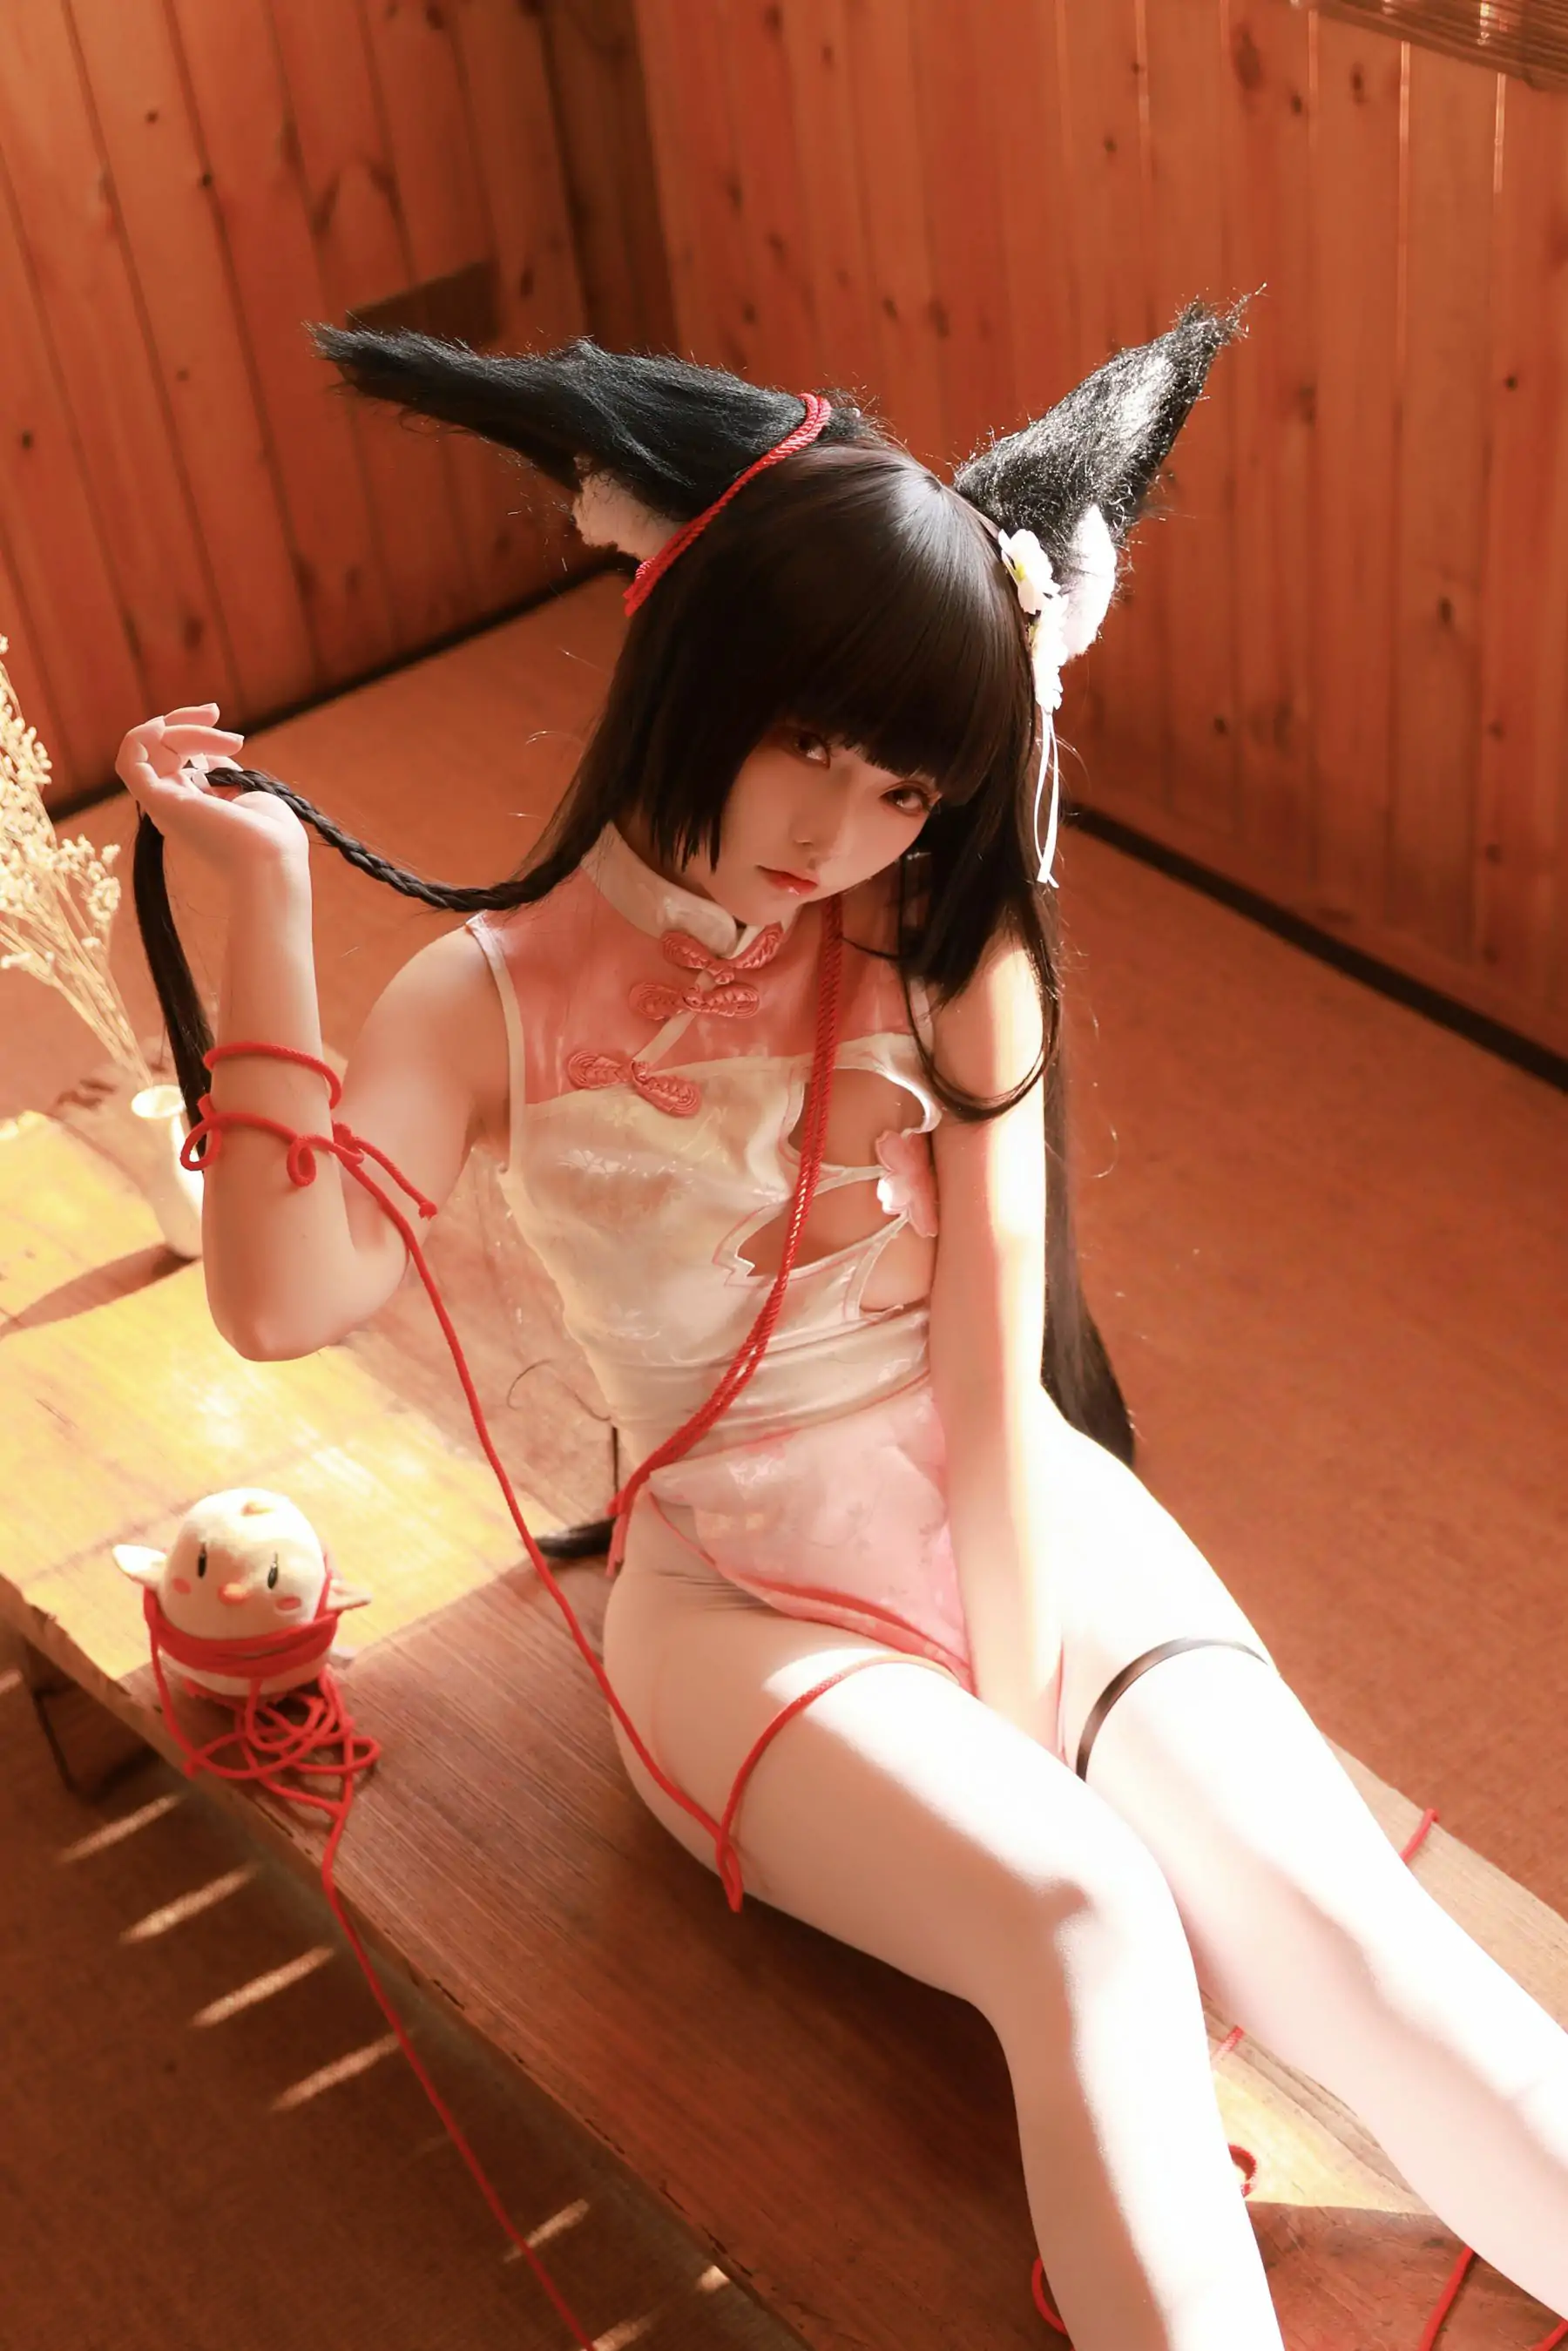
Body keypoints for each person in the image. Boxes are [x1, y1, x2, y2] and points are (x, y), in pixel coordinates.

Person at [117, 311, 1568, 2350]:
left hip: (1014, 1501)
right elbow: (286, 1295)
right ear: (693, 658)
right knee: (1086, 1916)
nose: (842, 826)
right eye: (810, 739)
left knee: (1355, 1943)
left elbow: (991, 1361)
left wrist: (1027, 1714)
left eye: (903, 782)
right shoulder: (483, 999)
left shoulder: (943, 940)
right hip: (732, 1598)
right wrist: (264, 906)